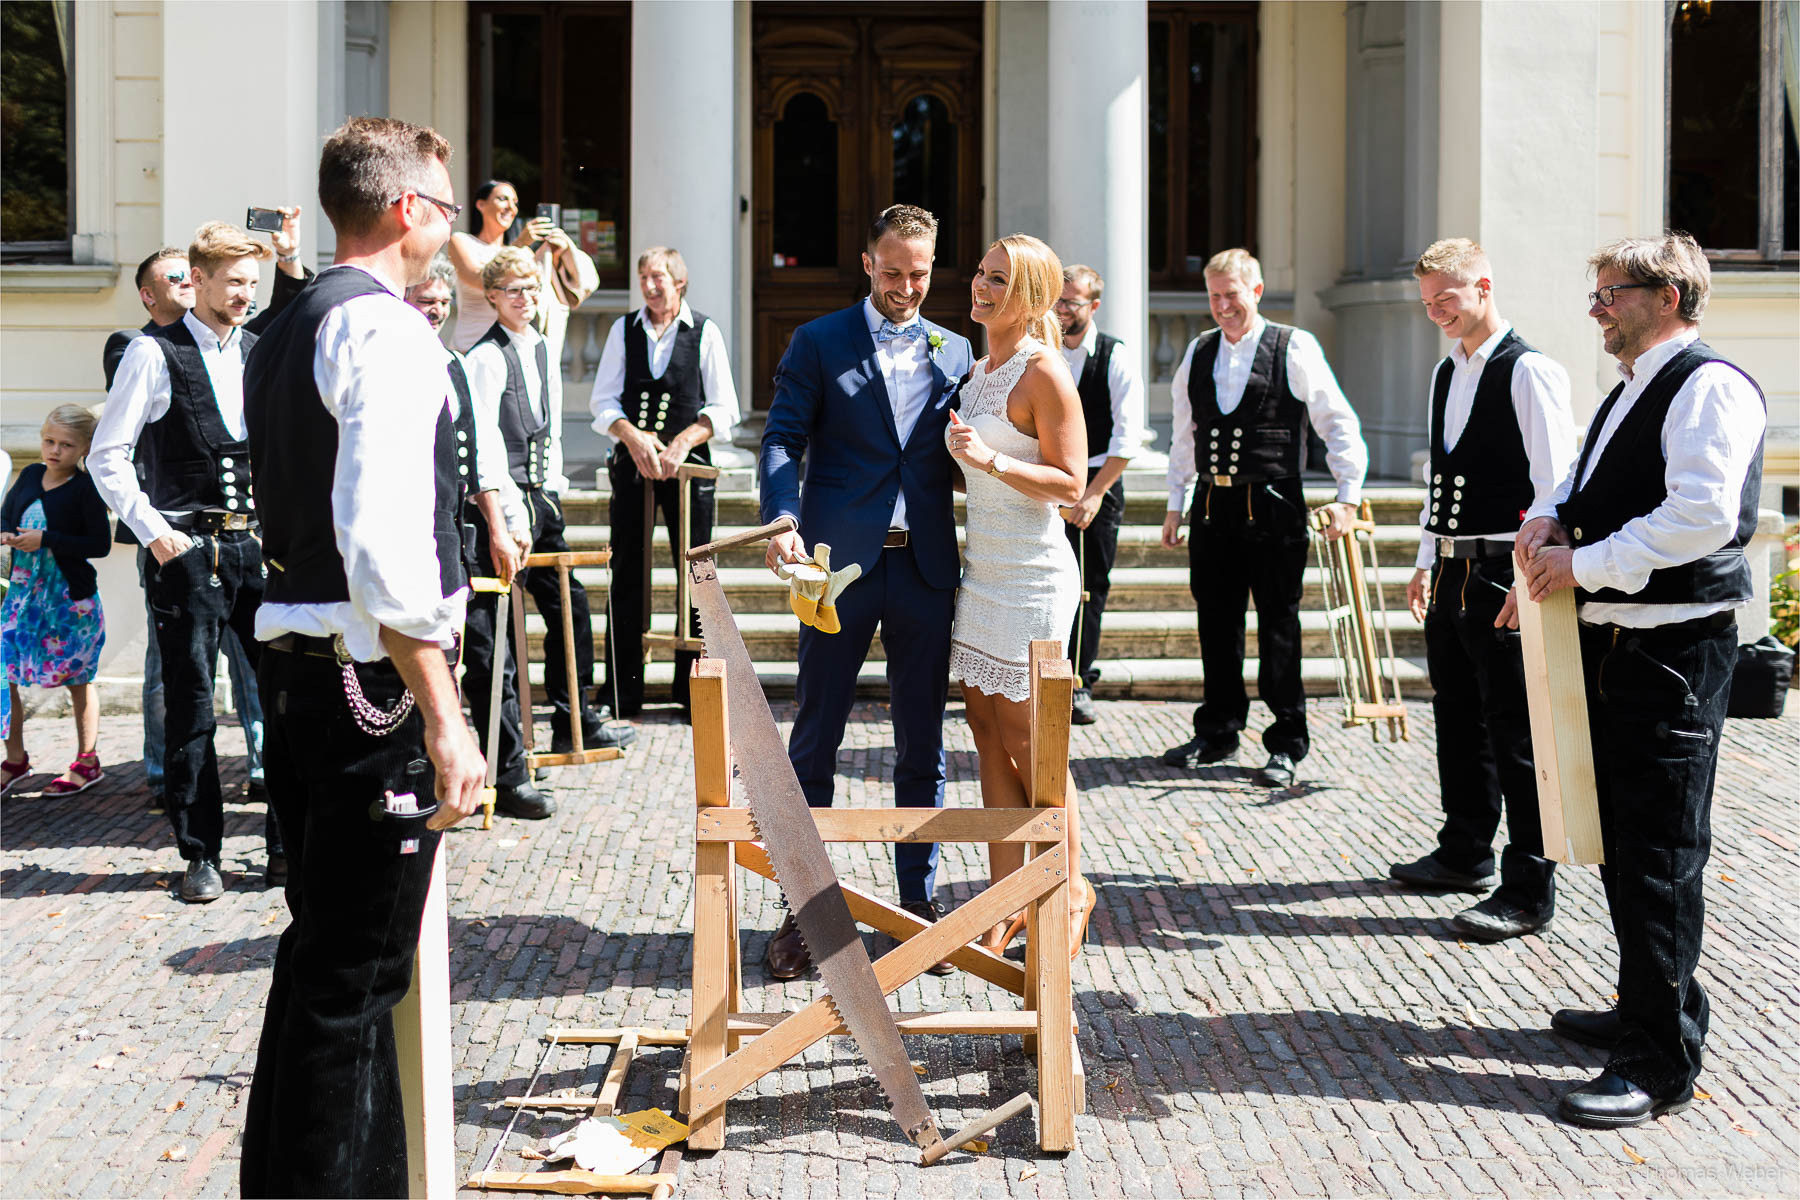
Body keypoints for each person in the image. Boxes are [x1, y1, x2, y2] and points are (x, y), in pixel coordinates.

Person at [239, 115, 485, 1196]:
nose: (446, 223)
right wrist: (443, 711)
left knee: (322, 963)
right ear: (406, 211)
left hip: (302, 665)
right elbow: (381, 541)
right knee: (353, 977)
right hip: (363, 680)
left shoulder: (290, 322)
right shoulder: (384, 331)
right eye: (441, 203)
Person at [1513, 233, 1764, 1129]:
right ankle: (1646, 1009)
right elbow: (1578, 488)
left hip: (1675, 657)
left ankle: (1660, 1064)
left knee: (1660, 858)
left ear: (1666, 295)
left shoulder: (1709, 386)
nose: (1595, 310)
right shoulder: (1630, 389)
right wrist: (1546, 529)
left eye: (1610, 293)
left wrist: (1586, 565)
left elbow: (1700, 518)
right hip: (1621, 648)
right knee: (1626, 847)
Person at [758, 204, 973, 980]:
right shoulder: (818, 341)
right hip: (837, 566)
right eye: (892, 273)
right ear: (865, 263)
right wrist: (781, 515)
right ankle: (805, 914)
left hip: (924, 569)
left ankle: (920, 907)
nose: (906, 289)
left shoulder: (958, 351)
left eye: (919, 274)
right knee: (816, 737)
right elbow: (782, 436)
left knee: (924, 742)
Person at [1386, 238, 1577, 941]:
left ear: (1483, 286)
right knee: (1457, 716)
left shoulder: (1530, 371)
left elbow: (1557, 485)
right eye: (1428, 301)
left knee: (1516, 732)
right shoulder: (1446, 372)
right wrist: (1423, 556)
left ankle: (1527, 887)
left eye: (1447, 297)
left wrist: (1532, 581)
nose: (1436, 311)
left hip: (1505, 569)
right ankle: (1463, 852)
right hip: (1452, 570)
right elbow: (1444, 478)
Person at [90, 221, 282, 901]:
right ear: (195, 281)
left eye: (252, 284)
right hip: (187, 550)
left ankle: (284, 844)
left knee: (281, 693)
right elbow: (106, 453)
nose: (244, 295)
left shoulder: (259, 349)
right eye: (233, 282)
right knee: (193, 700)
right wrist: (151, 531)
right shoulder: (153, 353)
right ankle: (201, 853)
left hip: (257, 549)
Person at [1159, 248, 1368, 788]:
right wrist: (1174, 503)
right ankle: (1219, 730)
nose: (1223, 305)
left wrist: (1348, 494)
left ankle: (1286, 741)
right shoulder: (1198, 351)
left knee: (1279, 623)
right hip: (1211, 505)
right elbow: (1184, 435)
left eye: (1232, 294)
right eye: (1214, 295)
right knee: (1216, 621)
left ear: (1255, 291)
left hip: (1274, 503)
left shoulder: (1292, 345)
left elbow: (1336, 420)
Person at [944, 234, 1095, 953]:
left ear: (1031, 296)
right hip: (984, 576)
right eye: (980, 272)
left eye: (998, 279)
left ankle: (1068, 891)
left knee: (1034, 746)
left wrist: (991, 458)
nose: (981, 286)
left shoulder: (1043, 375)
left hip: (1035, 578)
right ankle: (1007, 901)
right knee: (983, 738)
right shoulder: (977, 374)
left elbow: (1071, 485)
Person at [466, 247, 633, 783]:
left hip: (543, 499)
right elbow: (485, 444)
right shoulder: (484, 358)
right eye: (514, 290)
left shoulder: (539, 344)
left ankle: (573, 714)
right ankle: (507, 751)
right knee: (502, 628)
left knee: (570, 604)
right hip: (505, 504)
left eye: (532, 289)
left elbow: (551, 428)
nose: (526, 299)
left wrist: (553, 490)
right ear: (493, 295)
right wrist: (510, 516)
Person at [589, 246, 740, 716]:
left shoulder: (705, 330)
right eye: (643, 278)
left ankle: (691, 693)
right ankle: (623, 691)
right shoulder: (624, 329)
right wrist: (632, 437)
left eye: (658, 277)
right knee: (628, 571)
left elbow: (723, 407)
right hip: (634, 468)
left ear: (680, 281)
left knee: (695, 574)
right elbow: (603, 401)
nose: (650, 286)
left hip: (689, 471)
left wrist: (684, 441)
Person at [1, 406, 111, 797]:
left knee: (78, 680)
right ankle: (14, 760)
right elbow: (6, 515)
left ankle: (87, 761)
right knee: (5, 675)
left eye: (66, 445)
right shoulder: (30, 475)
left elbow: (100, 544)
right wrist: (6, 535)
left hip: (69, 603)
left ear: (83, 449)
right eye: (49, 441)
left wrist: (46, 540)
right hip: (22, 598)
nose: (54, 450)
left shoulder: (86, 488)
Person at [1054, 263, 1146, 725]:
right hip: (1046, 483)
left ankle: (1078, 683)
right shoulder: (1042, 349)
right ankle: (1039, 679)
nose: (1061, 309)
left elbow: (1127, 441)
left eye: (1070, 302)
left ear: (1093, 305)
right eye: (1057, 299)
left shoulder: (1115, 357)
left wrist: (1091, 496)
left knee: (1088, 589)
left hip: (1095, 487)